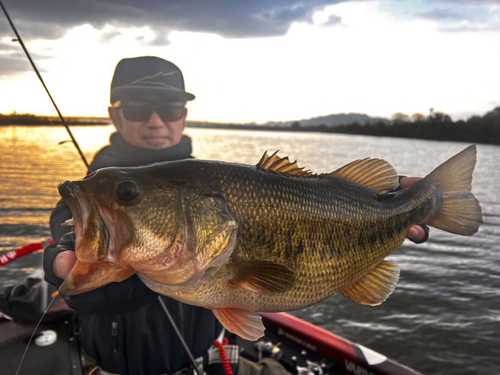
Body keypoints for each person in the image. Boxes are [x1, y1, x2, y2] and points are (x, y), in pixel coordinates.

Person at [43, 56, 429, 375]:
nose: (156, 120)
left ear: (184, 114)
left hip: (209, 363)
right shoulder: (89, 199)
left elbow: (296, 216)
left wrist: (389, 205)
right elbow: (69, 260)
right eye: (140, 107)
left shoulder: (219, 183)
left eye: (170, 107)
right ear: (115, 114)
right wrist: (65, 269)